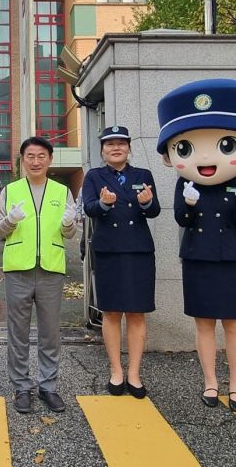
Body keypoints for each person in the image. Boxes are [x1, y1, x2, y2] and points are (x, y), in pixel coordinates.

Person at [156, 79, 236, 413]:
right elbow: (181, 219)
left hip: (230, 259)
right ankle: (210, 382)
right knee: (203, 323)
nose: (204, 157)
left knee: (234, 323)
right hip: (197, 258)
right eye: (187, 148)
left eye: (224, 144)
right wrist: (189, 205)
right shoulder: (185, 183)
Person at [0, 136, 77, 414]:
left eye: (41, 155)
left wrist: (68, 225)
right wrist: (10, 220)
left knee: (50, 332)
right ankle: (21, 387)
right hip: (18, 267)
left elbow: (70, 231)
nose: (36, 161)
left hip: (51, 268)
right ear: (22, 160)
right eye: (30, 156)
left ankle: (48, 386)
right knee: (17, 332)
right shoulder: (11, 189)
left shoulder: (61, 191)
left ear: (50, 160)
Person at [82, 126, 160, 399]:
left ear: (128, 148)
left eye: (121, 144)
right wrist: (103, 204)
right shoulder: (94, 176)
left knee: (137, 312)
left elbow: (155, 211)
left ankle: (135, 374)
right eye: (110, 144)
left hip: (138, 250)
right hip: (109, 251)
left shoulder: (143, 175)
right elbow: (88, 208)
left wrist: (147, 203)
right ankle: (116, 371)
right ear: (103, 150)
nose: (116, 148)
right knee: (112, 312)